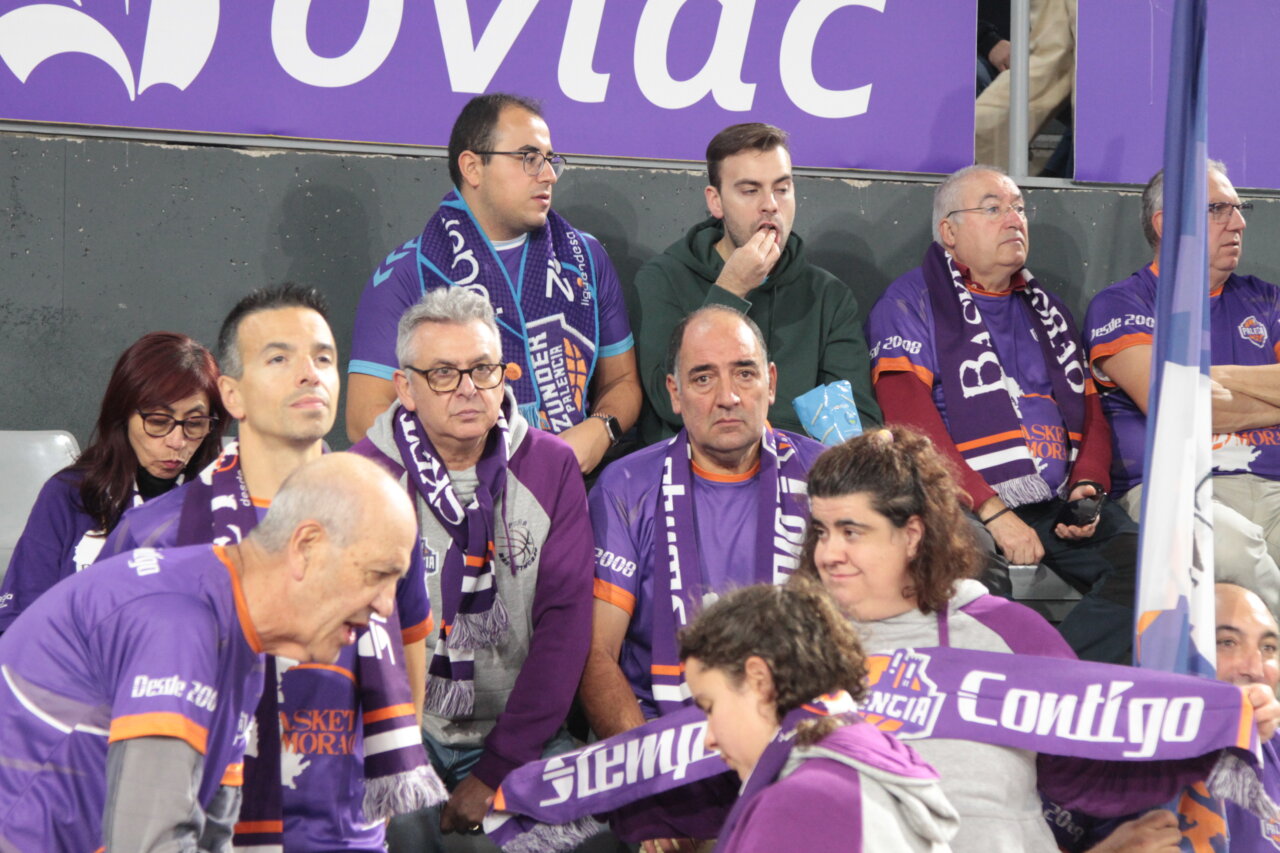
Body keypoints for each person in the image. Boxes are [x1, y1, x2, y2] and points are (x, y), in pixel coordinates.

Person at [792, 427, 1280, 853]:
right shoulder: (795, 646)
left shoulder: (1009, 632)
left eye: (851, 532)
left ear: (912, 535)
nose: (828, 553)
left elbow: (1083, 775)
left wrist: (1214, 733)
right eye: (820, 531)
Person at [105, 284, 433, 853]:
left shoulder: (384, 513)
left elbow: (410, 652)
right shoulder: (153, 534)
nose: (309, 374)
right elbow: (102, 696)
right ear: (231, 394)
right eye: (279, 358)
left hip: (344, 836)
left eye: (323, 358)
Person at [0, 453, 419, 853]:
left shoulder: (236, 628)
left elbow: (210, 834)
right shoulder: (179, 625)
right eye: (377, 575)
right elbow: (149, 844)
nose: (386, 606)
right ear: (307, 546)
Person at [865, 164, 1137, 663]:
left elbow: (1091, 412)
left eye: (1018, 208)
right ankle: (1007, 685)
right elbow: (911, 426)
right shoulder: (909, 303)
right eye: (993, 209)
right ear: (949, 231)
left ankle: (1055, 682)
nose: (1014, 219)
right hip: (963, 501)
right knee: (971, 567)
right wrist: (993, 511)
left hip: (1056, 498)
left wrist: (1087, 486)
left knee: (1148, 567)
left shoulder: (1049, 311)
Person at [350, 287, 593, 846]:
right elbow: (353, 642)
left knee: (581, 837)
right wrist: (399, 748)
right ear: (405, 388)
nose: (468, 389)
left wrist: (498, 766)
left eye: (483, 369)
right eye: (443, 374)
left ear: (504, 377)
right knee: (384, 828)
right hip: (401, 729)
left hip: (522, 731)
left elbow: (564, 628)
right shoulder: (364, 475)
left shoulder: (551, 466)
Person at [580, 305, 825, 847]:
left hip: (798, 747)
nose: (728, 397)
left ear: (771, 382)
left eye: (744, 373)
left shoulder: (825, 479)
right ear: (674, 393)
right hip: (662, 748)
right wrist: (649, 781)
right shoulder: (625, 487)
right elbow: (596, 652)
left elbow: (867, 638)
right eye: (703, 377)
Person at [347, 92, 641, 474]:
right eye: (528, 158)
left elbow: (622, 381)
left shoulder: (585, 257)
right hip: (454, 492)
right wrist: (464, 463)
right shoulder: (408, 272)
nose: (548, 175)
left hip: (573, 484)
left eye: (550, 159)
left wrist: (600, 429)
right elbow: (363, 419)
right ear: (472, 168)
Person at [1084, 162, 1280, 615]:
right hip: (1174, 487)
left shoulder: (1267, 301)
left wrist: (1211, 376)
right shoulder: (1122, 303)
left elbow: (1193, 393)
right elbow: (1174, 404)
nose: (1238, 222)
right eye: (1217, 209)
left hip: (1272, 486)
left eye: (1239, 208)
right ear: (1166, 223)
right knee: (1230, 549)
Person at [632, 122, 880, 445]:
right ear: (716, 201)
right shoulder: (663, 279)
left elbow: (857, 426)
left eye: (782, 189)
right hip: (692, 469)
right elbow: (669, 403)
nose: (771, 205)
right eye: (750, 191)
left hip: (801, 471)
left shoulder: (827, 296)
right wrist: (730, 290)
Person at [677, 582, 960, 852]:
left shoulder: (804, 802)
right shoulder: (862, 770)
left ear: (759, 680)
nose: (709, 740)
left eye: (710, 707)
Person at [0, 331, 226, 632]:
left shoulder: (224, 502)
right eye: (158, 421)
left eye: (195, 424)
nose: (177, 441)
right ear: (122, 416)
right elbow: (17, 619)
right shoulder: (69, 494)